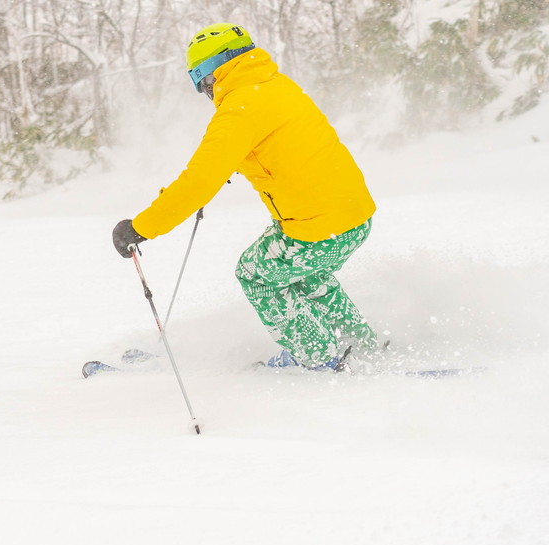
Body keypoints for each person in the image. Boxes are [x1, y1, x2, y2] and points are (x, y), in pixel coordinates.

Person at [111, 23, 379, 370]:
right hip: (354, 217)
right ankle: (359, 340)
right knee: (305, 273)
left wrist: (141, 226)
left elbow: (198, 180)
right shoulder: (276, 85)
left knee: (256, 273)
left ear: (209, 76)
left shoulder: (238, 109)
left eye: (201, 84)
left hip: (317, 229)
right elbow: (284, 145)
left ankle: (319, 357)